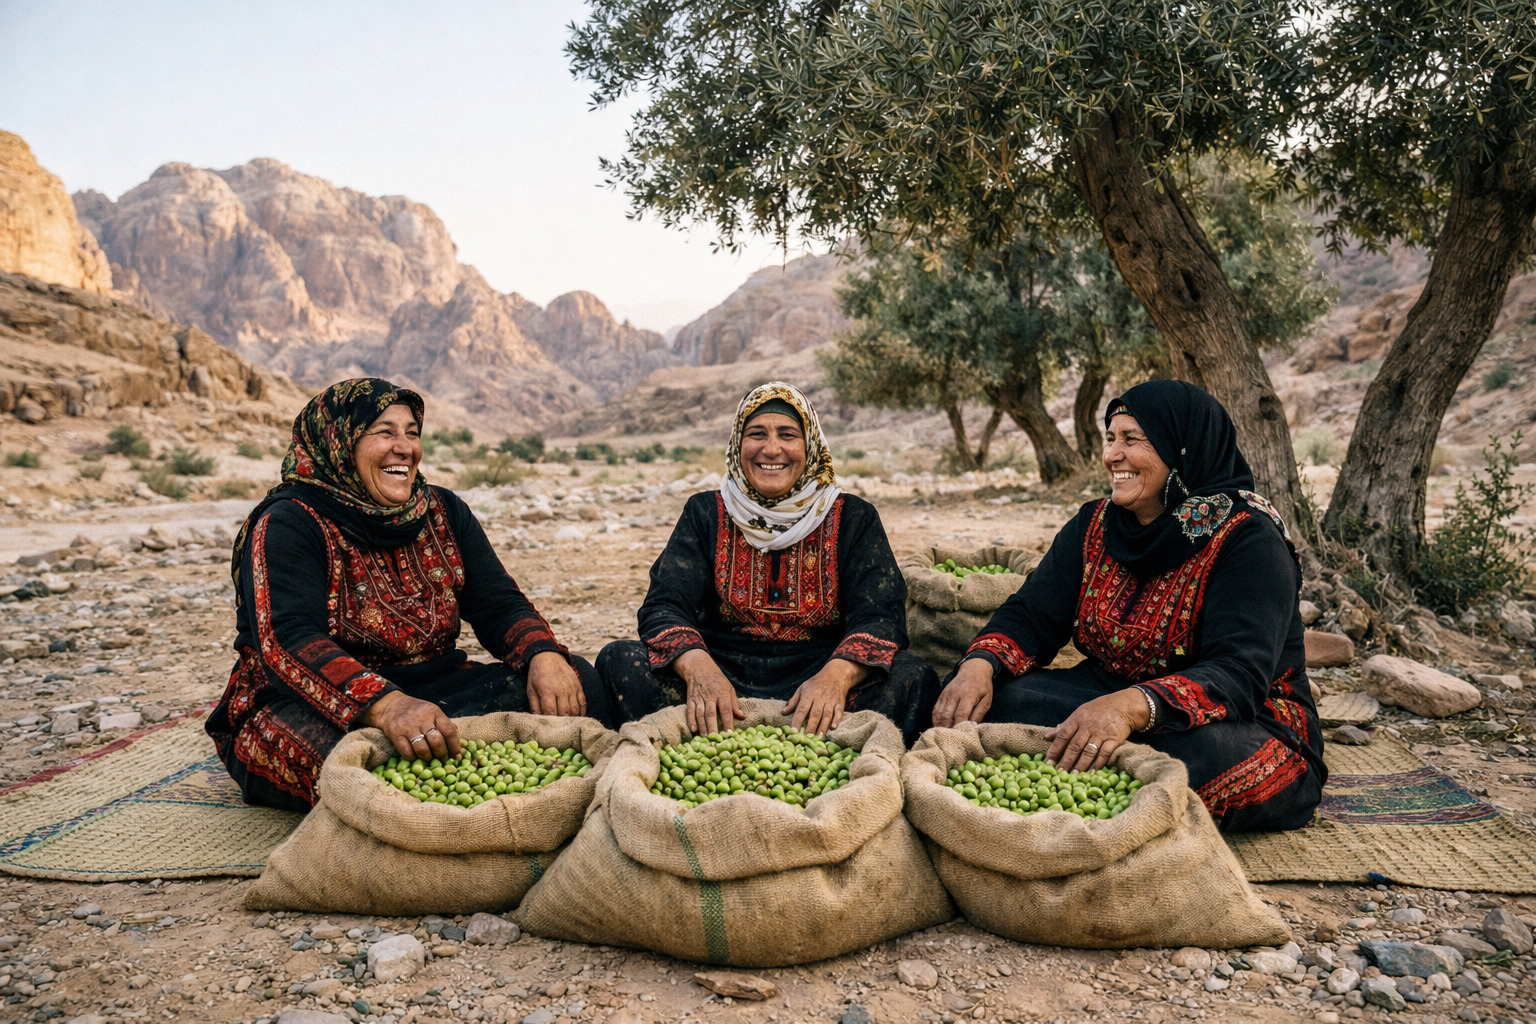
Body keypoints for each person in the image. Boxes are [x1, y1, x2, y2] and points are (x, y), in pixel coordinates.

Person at [931, 379, 1324, 831]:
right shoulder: (1094, 523)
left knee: (1193, 761)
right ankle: (1092, 772)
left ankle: (1096, 775)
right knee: (981, 699)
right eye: (1110, 438)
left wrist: (1127, 709)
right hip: (1103, 694)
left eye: (1132, 439)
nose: (1112, 455)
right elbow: (1031, 615)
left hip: (1239, 722)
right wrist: (979, 666)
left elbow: (1238, 676)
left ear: (1181, 449)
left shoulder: (1248, 539)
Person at [207, 378, 612, 810]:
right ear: (339, 442)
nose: (405, 448)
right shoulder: (290, 522)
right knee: (368, 764)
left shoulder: (441, 508)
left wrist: (542, 655)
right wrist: (386, 705)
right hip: (311, 705)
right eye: (385, 432)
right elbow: (287, 641)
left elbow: (498, 603)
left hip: (436, 688)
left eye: (412, 433)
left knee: (576, 683)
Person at [597, 382, 939, 745]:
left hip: (820, 674)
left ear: (810, 446)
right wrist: (699, 671)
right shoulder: (705, 513)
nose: (771, 449)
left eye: (788, 435)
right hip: (720, 672)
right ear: (737, 445)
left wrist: (836, 678)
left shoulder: (853, 517)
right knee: (620, 661)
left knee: (913, 676)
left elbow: (882, 616)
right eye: (757, 434)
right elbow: (664, 606)